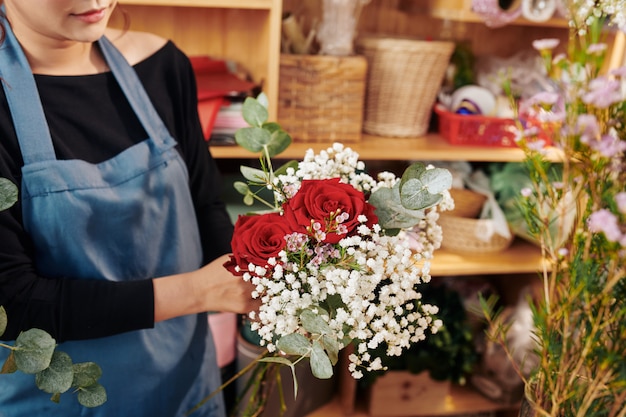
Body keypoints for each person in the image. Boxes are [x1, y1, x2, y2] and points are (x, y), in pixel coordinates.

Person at [0, 1, 259, 416]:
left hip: (187, 392)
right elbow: (13, 303)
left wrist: (267, 289)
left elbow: (204, 202)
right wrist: (201, 291)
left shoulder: (162, 64)